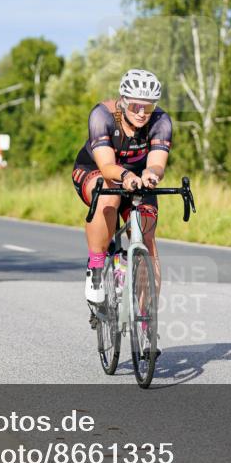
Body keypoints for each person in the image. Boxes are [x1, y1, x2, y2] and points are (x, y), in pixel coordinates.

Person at [71, 68, 172, 308]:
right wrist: (125, 175)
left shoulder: (161, 121)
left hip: (135, 177)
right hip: (95, 170)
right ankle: (96, 267)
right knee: (108, 191)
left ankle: (147, 319)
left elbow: (157, 163)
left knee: (147, 239)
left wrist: (151, 174)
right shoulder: (103, 115)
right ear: (123, 100)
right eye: (136, 106)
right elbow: (107, 166)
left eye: (147, 107)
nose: (141, 113)